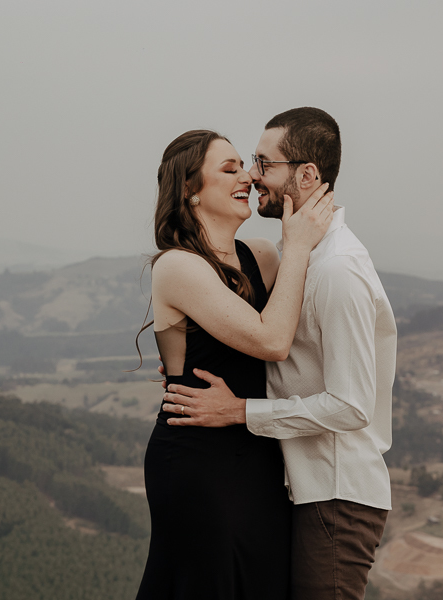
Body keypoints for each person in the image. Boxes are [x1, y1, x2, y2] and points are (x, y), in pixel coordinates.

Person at [161, 108, 395, 600]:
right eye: (243, 164)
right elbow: (250, 332)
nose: (252, 175)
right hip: (290, 480)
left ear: (307, 175)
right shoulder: (295, 257)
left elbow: (352, 404)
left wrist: (242, 410)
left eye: (264, 164)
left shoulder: (333, 270)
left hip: (334, 488)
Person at [133, 129, 334, 600]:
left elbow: (296, 331)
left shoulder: (261, 256)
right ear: (189, 189)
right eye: (229, 169)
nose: (247, 176)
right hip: (196, 457)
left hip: (258, 455)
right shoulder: (177, 266)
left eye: (244, 165)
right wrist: (299, 245)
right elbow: (273, 340)